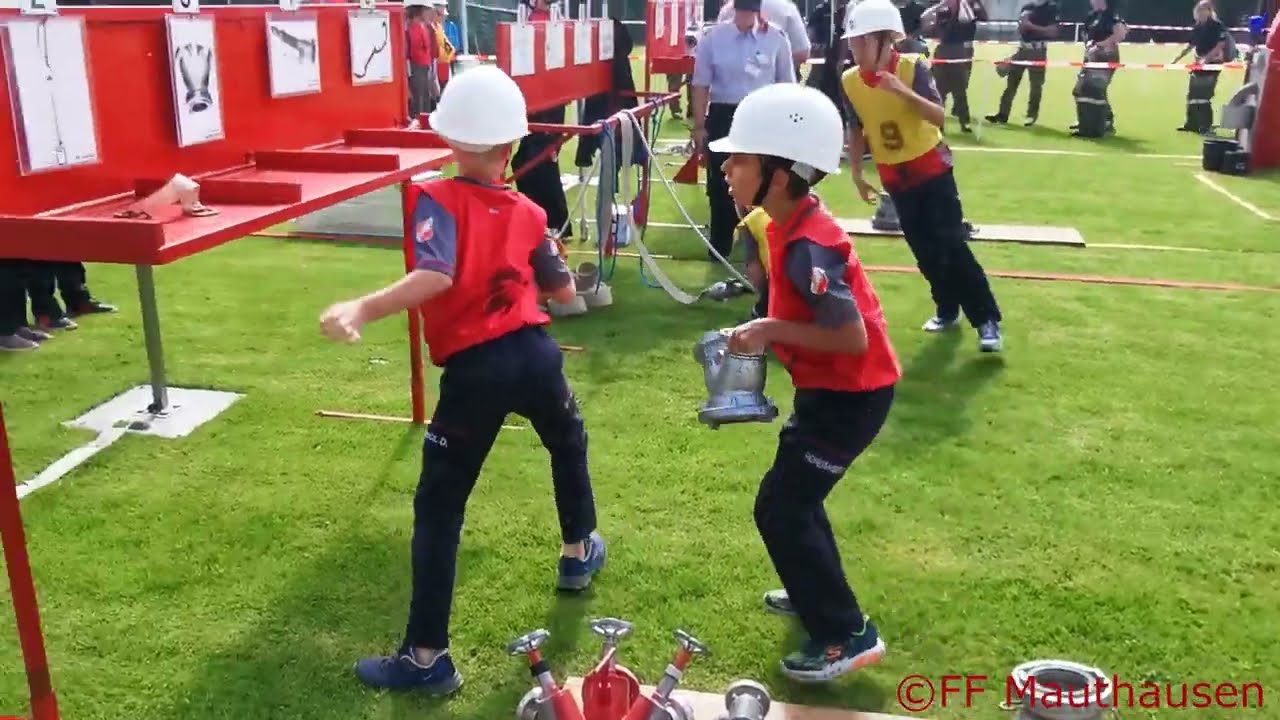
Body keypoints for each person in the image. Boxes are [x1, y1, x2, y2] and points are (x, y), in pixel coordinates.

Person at [322, 65, 607, 694]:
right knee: (567, 443)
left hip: (477, 371)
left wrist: (363, 307)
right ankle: (578, 549)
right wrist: (559, 270)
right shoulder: (530, 211)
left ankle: (426, 658)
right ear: (510, 147)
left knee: (439, 508)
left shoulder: (436, 199)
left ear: (449, 138)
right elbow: (565, 295)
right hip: (535, 355)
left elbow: (438, 274)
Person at [712, 82, 900, 682]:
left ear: (780, 173)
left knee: (782, 507)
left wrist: (768, 328)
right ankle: (810, 585)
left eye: (740, 158)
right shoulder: (783, 226)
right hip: (828, 395)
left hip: (853, 397)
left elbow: (852, 340)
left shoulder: (809, 248)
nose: (726, 167)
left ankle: (847, 633)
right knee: (796, 501)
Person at [841, 0, 1003, 352]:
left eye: (861, 41)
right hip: (894, 177)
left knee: (951, 244)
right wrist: (856, 172)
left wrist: (899, 90)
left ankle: (986, 318)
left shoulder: (913, 68)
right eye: (852, 42)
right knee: (923, 249)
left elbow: (938, 116)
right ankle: (946, 308)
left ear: (886, 40)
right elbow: (856, 126)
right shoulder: (850, 80)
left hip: (931, 171)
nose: (853, 49)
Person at [692, 0, 796, 261]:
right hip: (724, 114)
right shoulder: (714, 38)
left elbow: (787, 84)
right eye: (741, 11)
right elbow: (701, 83)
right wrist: (699, 126)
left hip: (762, 115)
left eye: (750, 12)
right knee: (720, 181)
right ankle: (720, 244)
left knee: (764, 179)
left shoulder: (775, 38)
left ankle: (763, 241)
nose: (745, 16)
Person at [986, 0, 1057, 127]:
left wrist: (1031, 26)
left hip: (1038, 50)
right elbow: (1021, 26)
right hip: (1023, 49)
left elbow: (1053, 31)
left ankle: (1031, 115)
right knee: (1011, 83)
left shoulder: (1051, 8)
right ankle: (1002, 114)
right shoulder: (1027, 6)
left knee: (1036, 85)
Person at [924, 0, 988, 133]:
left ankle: (964, 122)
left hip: (958, 52)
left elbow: (975, 19)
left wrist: (963, 6)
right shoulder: (942, 11)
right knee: (939, 90)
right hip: (943, 51)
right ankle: (939, 123)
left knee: (959, 90)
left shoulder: (965, 10)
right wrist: (945, 8)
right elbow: (930, 22)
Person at [1071, 0, 1126, 138]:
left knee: (1095, 90)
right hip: (1091, 56)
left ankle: (1099, 124)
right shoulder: (1092, 16)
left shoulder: (1110, 15)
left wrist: (1101, 45)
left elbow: (1121, 33)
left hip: (1106, 56)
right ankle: (1090, 120)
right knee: (1080, 90)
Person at [1175, 1, 1232, 134]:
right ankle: (1191, 124)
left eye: (1202, 10)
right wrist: (1177, 58)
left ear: (1209, 11)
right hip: (1199, 64)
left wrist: (1206, 59)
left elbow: (1220, 45)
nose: (1199, 12)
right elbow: (1191, 45)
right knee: (1192, 94)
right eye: (1198, 10)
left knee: (1203, 95)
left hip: (1212, 64)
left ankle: (1206, 126)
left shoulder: (1217, 26)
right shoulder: (1198, 26)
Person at [716, 0, 811, 72]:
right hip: (775, 88)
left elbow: (718, 51)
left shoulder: (727, 10)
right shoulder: (787, 8)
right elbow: (803, 53)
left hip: (733, 89)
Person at [405, 0, 439, 118]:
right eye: (426, 10)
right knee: (419, 99)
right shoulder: (410, 29)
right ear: (418, 11)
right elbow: (409, 53)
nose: (429, 13)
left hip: (425, 67)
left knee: (425, 97)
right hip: (416, 68)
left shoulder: (425, 27)